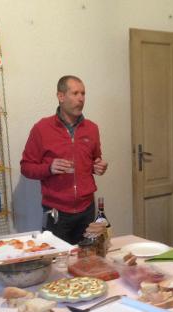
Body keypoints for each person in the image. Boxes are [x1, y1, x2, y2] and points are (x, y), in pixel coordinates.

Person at [21, 75, 108, 244]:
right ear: (61, 96)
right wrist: (49, 168)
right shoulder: (42, 128)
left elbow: (94, 161)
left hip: (86, 210)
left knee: (87, 257)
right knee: (56, 258)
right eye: (75, 93)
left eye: (83, 93)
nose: (81, 98)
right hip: (56, 212)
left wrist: (98, 167)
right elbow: (26, 167)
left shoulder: (92, 128)